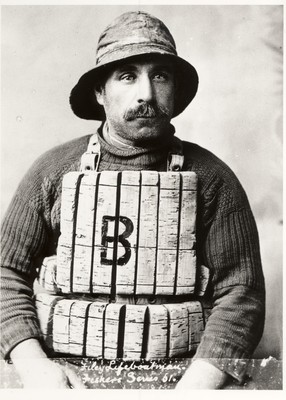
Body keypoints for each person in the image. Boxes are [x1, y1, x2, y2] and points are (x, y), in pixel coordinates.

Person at [0, 11, 265, 389]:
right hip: (64, 377)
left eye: (160, 75)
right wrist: (35, 367)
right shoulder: (53, 171)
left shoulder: (213, 179)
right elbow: (5, 273)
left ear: (175, 89)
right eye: (127, 76)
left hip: (185, 378)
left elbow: (242, 292)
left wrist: (197, 387)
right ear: (99, 91)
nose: (146, 93)